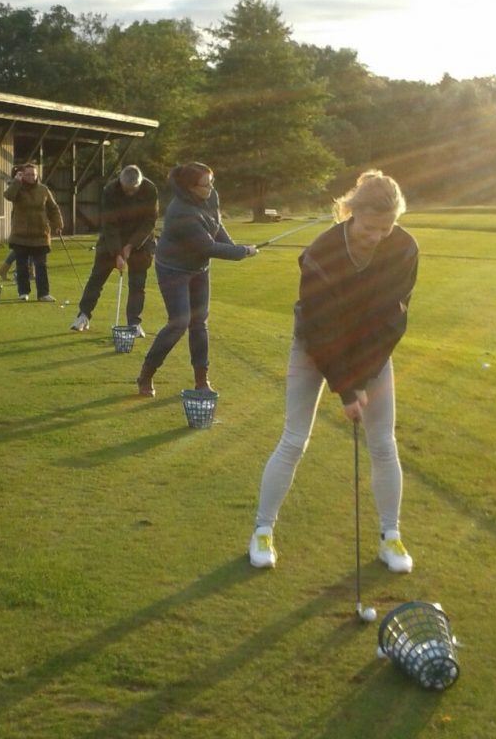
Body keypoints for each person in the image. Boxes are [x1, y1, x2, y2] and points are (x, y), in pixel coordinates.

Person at [248, 169, 419, 574]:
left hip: (371, 350)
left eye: (386, 228)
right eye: (370, 227)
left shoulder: (405, 248)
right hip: (313, 345)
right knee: (294, 438)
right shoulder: (322, 251)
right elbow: (321, 328)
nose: (377, 237)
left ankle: (390, 536)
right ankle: (262, 530)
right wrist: (346, 390)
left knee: (382, 443)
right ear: (350, 212)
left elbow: (390, 321)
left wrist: (360, 378)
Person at [136, 162, 257, 397]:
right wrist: (243, 252)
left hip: (199, 268)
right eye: (205, 184)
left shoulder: (211, 196)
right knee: (179, 322)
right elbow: (208, 246)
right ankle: (146, 375)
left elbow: (215, 224)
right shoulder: (181, 212)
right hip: (173, 269)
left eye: (212, 182)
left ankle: (202, 381)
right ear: (190, 187)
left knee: (199, 322)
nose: (211, 188)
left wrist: (232, 246)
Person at [71, 165, 158, 335]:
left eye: (134, 189)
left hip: (142, 241)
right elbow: (109, 224)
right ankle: (83, 315)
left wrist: (131, 245)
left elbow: (150, 221)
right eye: (127, 190)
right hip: (112, 239)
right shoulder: (110, 190)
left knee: (137, 284)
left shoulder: (150, 189)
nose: (130, 193)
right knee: (96, 279)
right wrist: (117, 252)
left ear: (140, 184)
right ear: (120, 182)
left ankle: (134, 323)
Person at [3, 162, 64, 301]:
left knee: (41, 266)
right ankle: (23, 293)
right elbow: (8, 196)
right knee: (22, 266)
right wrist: (16, 182)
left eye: (34, 174)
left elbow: (53, 208)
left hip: (40, 234)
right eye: (28, 174)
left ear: (37, 176)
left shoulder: (43, 190)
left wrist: (58, 224)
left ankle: (43, 293)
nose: (31, 177)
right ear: (22, 175)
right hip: (20, 235)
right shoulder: (17, 188)